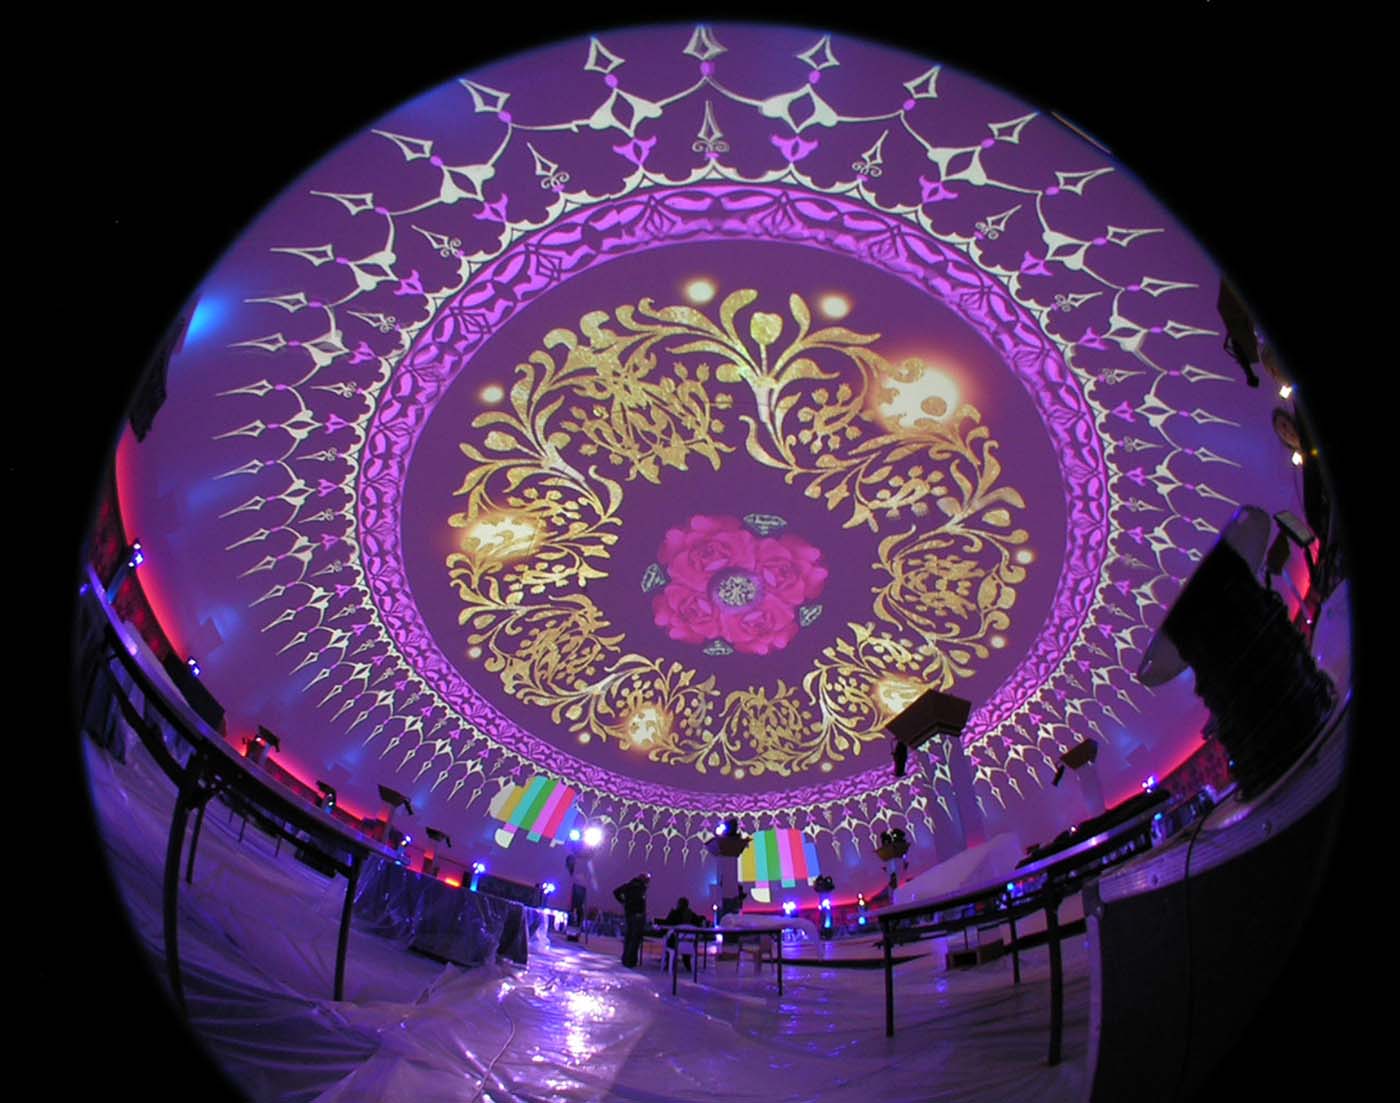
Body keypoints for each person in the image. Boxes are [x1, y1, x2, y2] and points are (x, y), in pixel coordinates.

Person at [656, 896, 706, 971]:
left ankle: (669, 964)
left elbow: (667, 925)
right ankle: (688, 965)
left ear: (678, 904)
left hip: (675, 943)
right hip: (690, 944)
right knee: (685, 940)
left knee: (670, 939)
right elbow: (699, 927)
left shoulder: (674, 914)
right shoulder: (693, 916)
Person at [612, 873, 650, 968]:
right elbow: (639, 901)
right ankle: (631, 961)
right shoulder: (640, 887)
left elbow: (616, 892)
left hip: (629, 913)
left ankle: (625, 959)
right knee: (635, 938)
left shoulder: (629, 885)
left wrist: (624, 902)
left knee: (629, 937)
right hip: (637, 915)